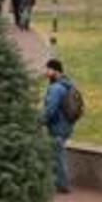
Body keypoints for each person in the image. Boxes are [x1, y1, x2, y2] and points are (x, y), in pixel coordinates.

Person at [40, 59, 78, 194]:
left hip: (58, 127)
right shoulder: (68, 84)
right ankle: (58, 183)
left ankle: (62, 185)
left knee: (58, 156)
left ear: (55, 71)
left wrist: (39, 121)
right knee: (57, 154)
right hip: (67, 125)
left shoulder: (56, 88)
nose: (46, 72)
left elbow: (50, 109)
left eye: (48, 69)